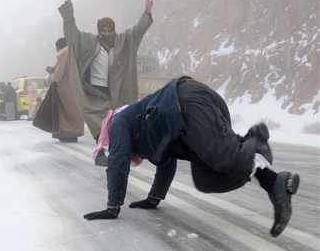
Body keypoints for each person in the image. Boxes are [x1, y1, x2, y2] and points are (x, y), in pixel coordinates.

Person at [83, 76, 300, 238]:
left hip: (183, 100)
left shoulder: (118, 123)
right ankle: (274, 183)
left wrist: (113, 207)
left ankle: (256, 141)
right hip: (188, 110)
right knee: (209, 176)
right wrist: (153, 198)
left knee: (223, 156)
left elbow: (118, 162)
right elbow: (165, 162)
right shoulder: (143, 132)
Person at [59, 0, 154, 166]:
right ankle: (100, 153)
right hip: (94, 90)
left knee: (121, 120)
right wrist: (68, 12)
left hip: (117, 90)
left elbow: (137, 31)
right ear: (99, 30)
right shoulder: (89, 41)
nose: (107, 34)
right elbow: (72, 32)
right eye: (104, 31)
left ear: (114, 31)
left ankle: (124, 150)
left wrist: (146, 13)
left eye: (110, 31)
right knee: (97, 120)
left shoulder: (123, 41)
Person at [33, 37, 84, 142]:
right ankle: (74, 133)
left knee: (64, 113)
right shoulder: (74, 54)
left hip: (65, 88)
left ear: (58, 47)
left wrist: (55, 82)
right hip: (76, 89)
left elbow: (60, 71)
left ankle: (67, 134)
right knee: (75, 112)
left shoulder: (64, 55)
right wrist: (54, 69)